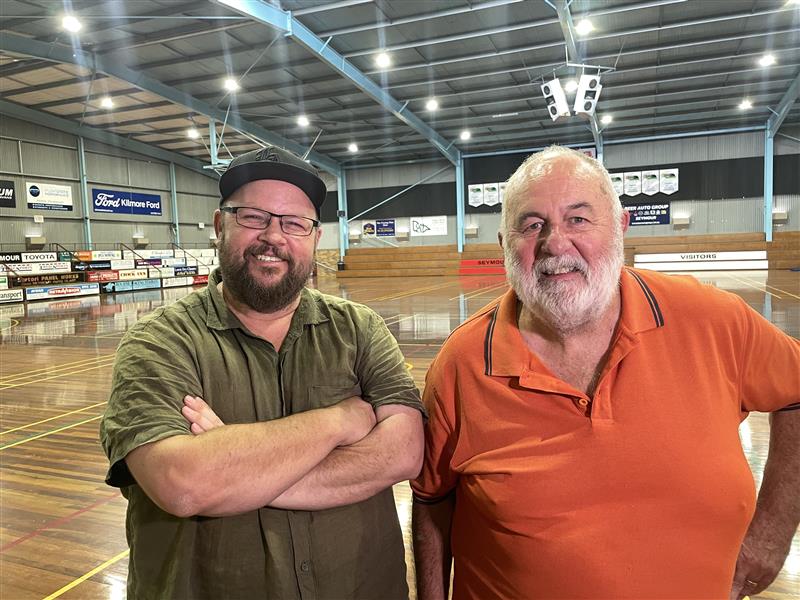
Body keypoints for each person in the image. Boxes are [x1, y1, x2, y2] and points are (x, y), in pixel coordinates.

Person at [411, 145, 800, 600]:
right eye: (532, 224)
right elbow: (432, 502)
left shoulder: (712, 320)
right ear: (503, 247)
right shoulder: (463, 364)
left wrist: (771, 535)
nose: (555, 242)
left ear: (619, 228)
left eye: (578, 218)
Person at [100, 145, 425, 599]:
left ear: (315, 238)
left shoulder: (360, 329)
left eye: (294, 223)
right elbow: (184, 484)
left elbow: (406, 450)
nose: (273, 236)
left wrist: (238, 471)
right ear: (220, 226)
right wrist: (340, 421)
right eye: (253, 217)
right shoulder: (159, 342)